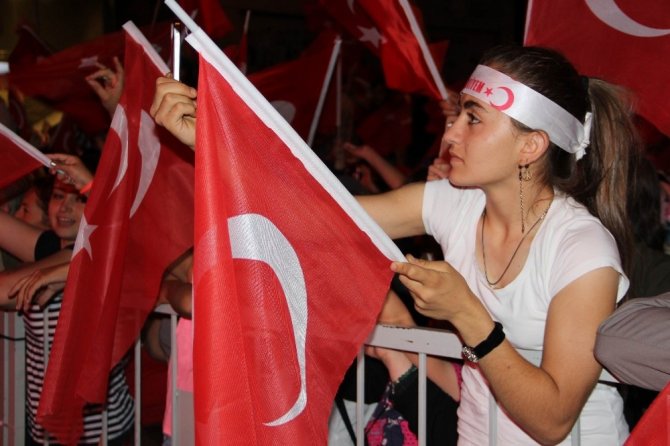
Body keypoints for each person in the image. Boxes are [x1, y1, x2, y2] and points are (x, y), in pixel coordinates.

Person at [150, 43, 638, 444]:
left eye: (473, 119)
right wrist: (211, 141)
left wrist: (468, 315)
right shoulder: (455, 204)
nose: (450, 133)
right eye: (457, 115)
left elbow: (552, 420)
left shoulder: (581, 248)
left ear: (530, 146)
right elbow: (316, 215)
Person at [0, 154, 135, 445]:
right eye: (58, 196)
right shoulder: (50, 246)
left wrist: (95, 185)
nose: (65, 208)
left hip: (100, 434)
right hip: (45, 428)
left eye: (80, 199)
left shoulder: (99, 252)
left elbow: (5, 289)